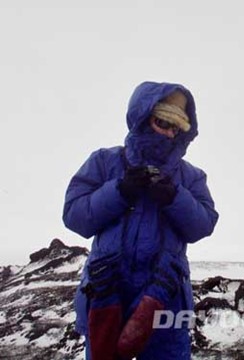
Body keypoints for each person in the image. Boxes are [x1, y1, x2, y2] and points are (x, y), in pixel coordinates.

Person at [63, 81, 219, 360]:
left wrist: (175, 197)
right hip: (106, 295)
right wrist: (118, 191)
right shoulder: (103, 162)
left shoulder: (191, 177)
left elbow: (204, 224)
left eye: (177, 128)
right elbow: (74, 216)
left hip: (166, 301)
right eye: (163, 122)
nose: (170, 134)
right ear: (142, 118)